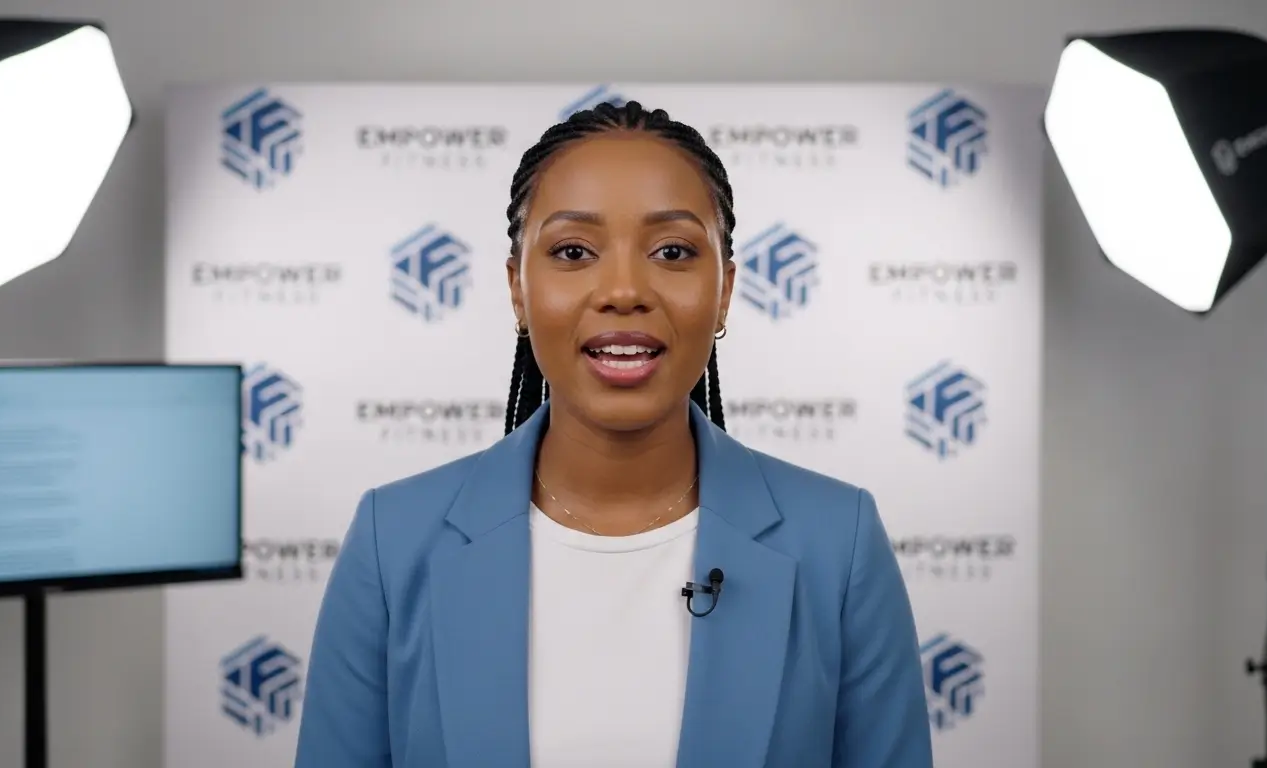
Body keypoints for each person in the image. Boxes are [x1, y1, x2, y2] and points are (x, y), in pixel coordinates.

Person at [294, 101, 932, 767]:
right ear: (518, 289)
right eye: (573, 252)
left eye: (672, 252)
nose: (624, 290)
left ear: (724, 290)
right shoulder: (393, 542)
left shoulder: (838, 543)